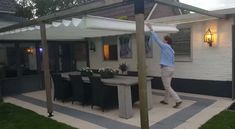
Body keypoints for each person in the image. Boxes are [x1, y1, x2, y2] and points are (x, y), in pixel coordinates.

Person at [146, 23, 182, 108]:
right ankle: (166, 100)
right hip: (171, 69)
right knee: (168, 85)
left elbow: (156, 39)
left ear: (166, 41)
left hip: (166, 69)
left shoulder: (164, 46)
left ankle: (178, 100)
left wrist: (151, 29)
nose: (162, 40)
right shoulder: (172, 50)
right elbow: (173, 61)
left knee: (167, 86)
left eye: (163, 39)